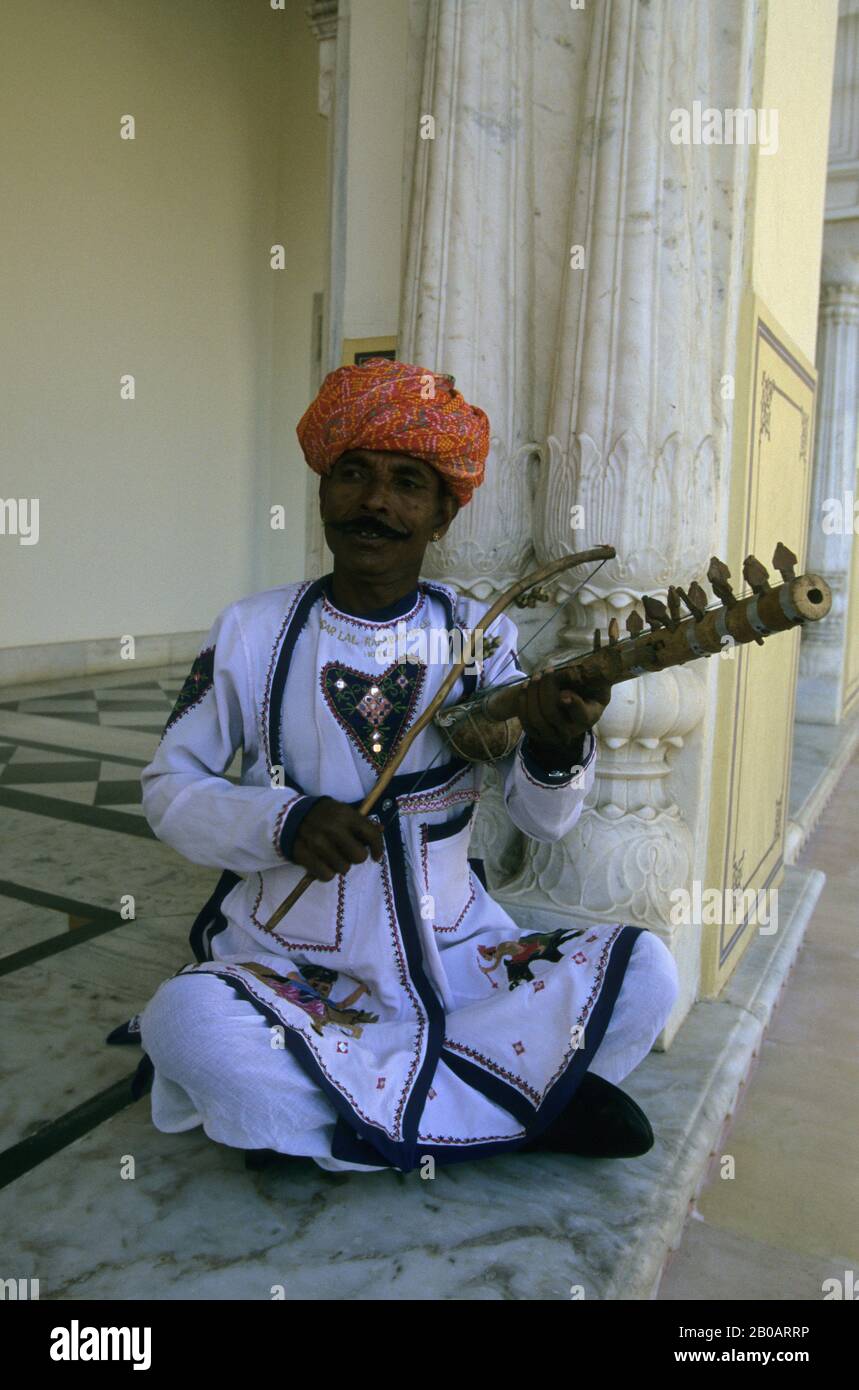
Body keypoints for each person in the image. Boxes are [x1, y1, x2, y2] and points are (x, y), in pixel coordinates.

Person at [135, 357, 678, 1174]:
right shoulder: (250, 630)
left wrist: (556, 746)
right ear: (323, 491)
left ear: (441, 516)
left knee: (647, 973)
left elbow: (544, 822)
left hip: (459, 959)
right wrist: (284, 822)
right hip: (295, 963)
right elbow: (168, 789)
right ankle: (512, 1103)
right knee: (187, 1023)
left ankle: (333, 1122)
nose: (375, 502)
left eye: (407, 484)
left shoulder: (481, 638)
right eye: (352, 473)